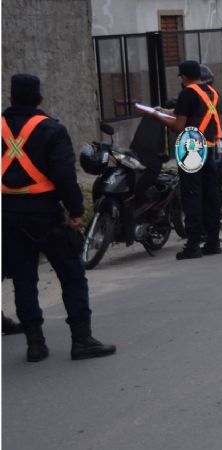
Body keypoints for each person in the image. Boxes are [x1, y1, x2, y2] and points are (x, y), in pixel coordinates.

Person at [2, 74, 116, 362]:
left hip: (9, 216)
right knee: (72, 277)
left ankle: (35, 345)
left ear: (11, 97)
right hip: (48, 215)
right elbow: (65, 176)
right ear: (39, 98)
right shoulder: (51, 129)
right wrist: (76, 211)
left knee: (24, 280)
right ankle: (81, 340)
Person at [148, 60, 222, 259]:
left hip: (191, 148)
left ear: (185, 76)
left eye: (181, 76)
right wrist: (163, 111)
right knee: (210, 194)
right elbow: (191, 112)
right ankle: (213, 241)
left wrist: (157, 117)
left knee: (191, 195)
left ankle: (193, 245)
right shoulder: (211, 92)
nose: (180, 79)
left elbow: (179, 126)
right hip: (210, 147)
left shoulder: (187, 92)